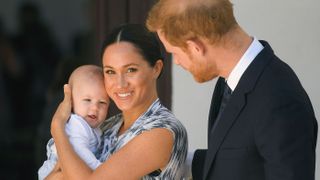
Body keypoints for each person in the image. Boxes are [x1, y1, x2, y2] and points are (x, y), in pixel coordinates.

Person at [146, 0, 318, 180]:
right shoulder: (230, 80)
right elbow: (241, 160)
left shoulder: (280, 100)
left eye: (174, 52)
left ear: (195, 47)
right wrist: (172, 158)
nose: (177, 62)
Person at [47, 24, 188, 179]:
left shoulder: (162, 131)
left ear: (156, 68)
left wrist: (57, 128)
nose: (120, 84)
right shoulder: (107, 126)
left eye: (130, 70)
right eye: (110, 71)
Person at [38, 65, 109, 179]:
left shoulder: (94, 127)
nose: (95, 108)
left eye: (102, 102)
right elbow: (80, 151)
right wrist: (100, 169)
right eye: (87, 100)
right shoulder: (76, 124)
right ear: (71, 101)